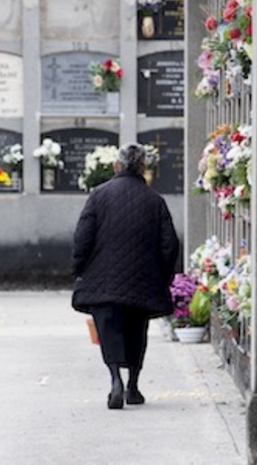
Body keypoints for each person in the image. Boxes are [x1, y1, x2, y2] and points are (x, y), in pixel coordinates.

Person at [71, 143, 179, 409]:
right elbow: (170, 244)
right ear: (142, 167)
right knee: (136, 331)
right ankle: (133, 385)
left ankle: (114, 379)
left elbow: (82, 237)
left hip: (104, 280)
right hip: (142, 281)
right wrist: (161, 277)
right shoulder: (155, 201)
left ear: (116, 166)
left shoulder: (99, 195)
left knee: (109, 331)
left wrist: (80, 269)